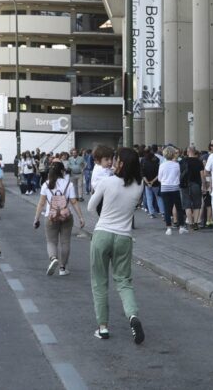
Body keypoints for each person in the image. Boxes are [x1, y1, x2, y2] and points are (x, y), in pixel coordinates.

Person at [86, 146, 145, 343]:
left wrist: (103, 217)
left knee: (99, 282)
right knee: (124, 281)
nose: (113, 162)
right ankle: (133, 315)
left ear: (121, 163)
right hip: (124, 237)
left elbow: (90, 206)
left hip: (103, 233)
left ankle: (102, 327)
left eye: (116, 159)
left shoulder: (107, 182)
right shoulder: (140, 184)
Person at [33, 160, 85, 276]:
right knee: (65, 242)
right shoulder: (68, 184)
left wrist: (36, 219)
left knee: (51, 241)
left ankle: (53, 259)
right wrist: (81, 217)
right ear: (62, 171)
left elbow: (41, 203)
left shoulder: (46, 185)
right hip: (66, 216)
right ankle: (62, 268)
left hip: (50, 216)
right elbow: (74, 202)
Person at [157, 146, 186, 235]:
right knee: (178, 207)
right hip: (174, 188)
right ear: (173, 154)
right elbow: (178, 176)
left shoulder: (162, 165)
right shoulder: (176, 164)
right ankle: (181, 227)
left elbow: (159, 178)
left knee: (167, 208)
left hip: (165, 188)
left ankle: (168, 228)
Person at [180, 147, 205, 230]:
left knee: (187, 204)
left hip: (185, 184)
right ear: (195, 152)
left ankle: (190, 223)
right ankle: (196, 223)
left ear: (187, 152)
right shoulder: (199, 161)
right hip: (196, 184)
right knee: (197, 204)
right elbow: (202, 175)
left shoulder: (182, 161)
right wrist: (203, 185)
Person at [141, 150, 163, 219]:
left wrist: (147, 182)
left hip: (147, 184)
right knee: (158, 198)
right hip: (156, 184)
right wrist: (152, 181)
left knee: (149, 198)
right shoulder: (156, 165)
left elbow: (143, 175)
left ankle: (151, 213)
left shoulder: (144, 164)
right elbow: (158, 175)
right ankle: (162, 212)